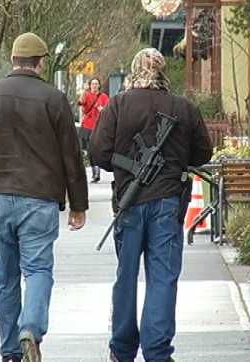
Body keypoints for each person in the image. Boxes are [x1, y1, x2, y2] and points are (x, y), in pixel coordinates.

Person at [0, 32, 89, 362]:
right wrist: (78, 205)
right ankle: (31, 328)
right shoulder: (54, 99)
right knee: (38, 271)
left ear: (14, 60)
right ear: (41, 62)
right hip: (39, 200)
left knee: (5, 279)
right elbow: (72, 155)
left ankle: (11, 351)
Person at [90, 48, 212, 362]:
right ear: (162, 73)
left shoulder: (118, 105)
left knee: (126, 275)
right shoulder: (183, 108)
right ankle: (157, 351)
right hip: (168, 203)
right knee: (163, 277)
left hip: (129, 205)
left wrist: (124, 165)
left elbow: (99, 154)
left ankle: (122, 349)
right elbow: (202, 154)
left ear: (134, 71)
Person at [78, 77, 109, 183]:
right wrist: (81, 118)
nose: (94, 86)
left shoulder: (103, 97)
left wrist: (102, 110)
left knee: (96, 149)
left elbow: (108, 111)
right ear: (90, 85)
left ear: (99, 85)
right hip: (87, 125)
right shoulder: (86, 95)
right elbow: (81, 104)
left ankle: (97, 172)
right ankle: (94, 171)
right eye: (93, 84)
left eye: (96, 84)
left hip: (98, 126)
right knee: (89, 150)